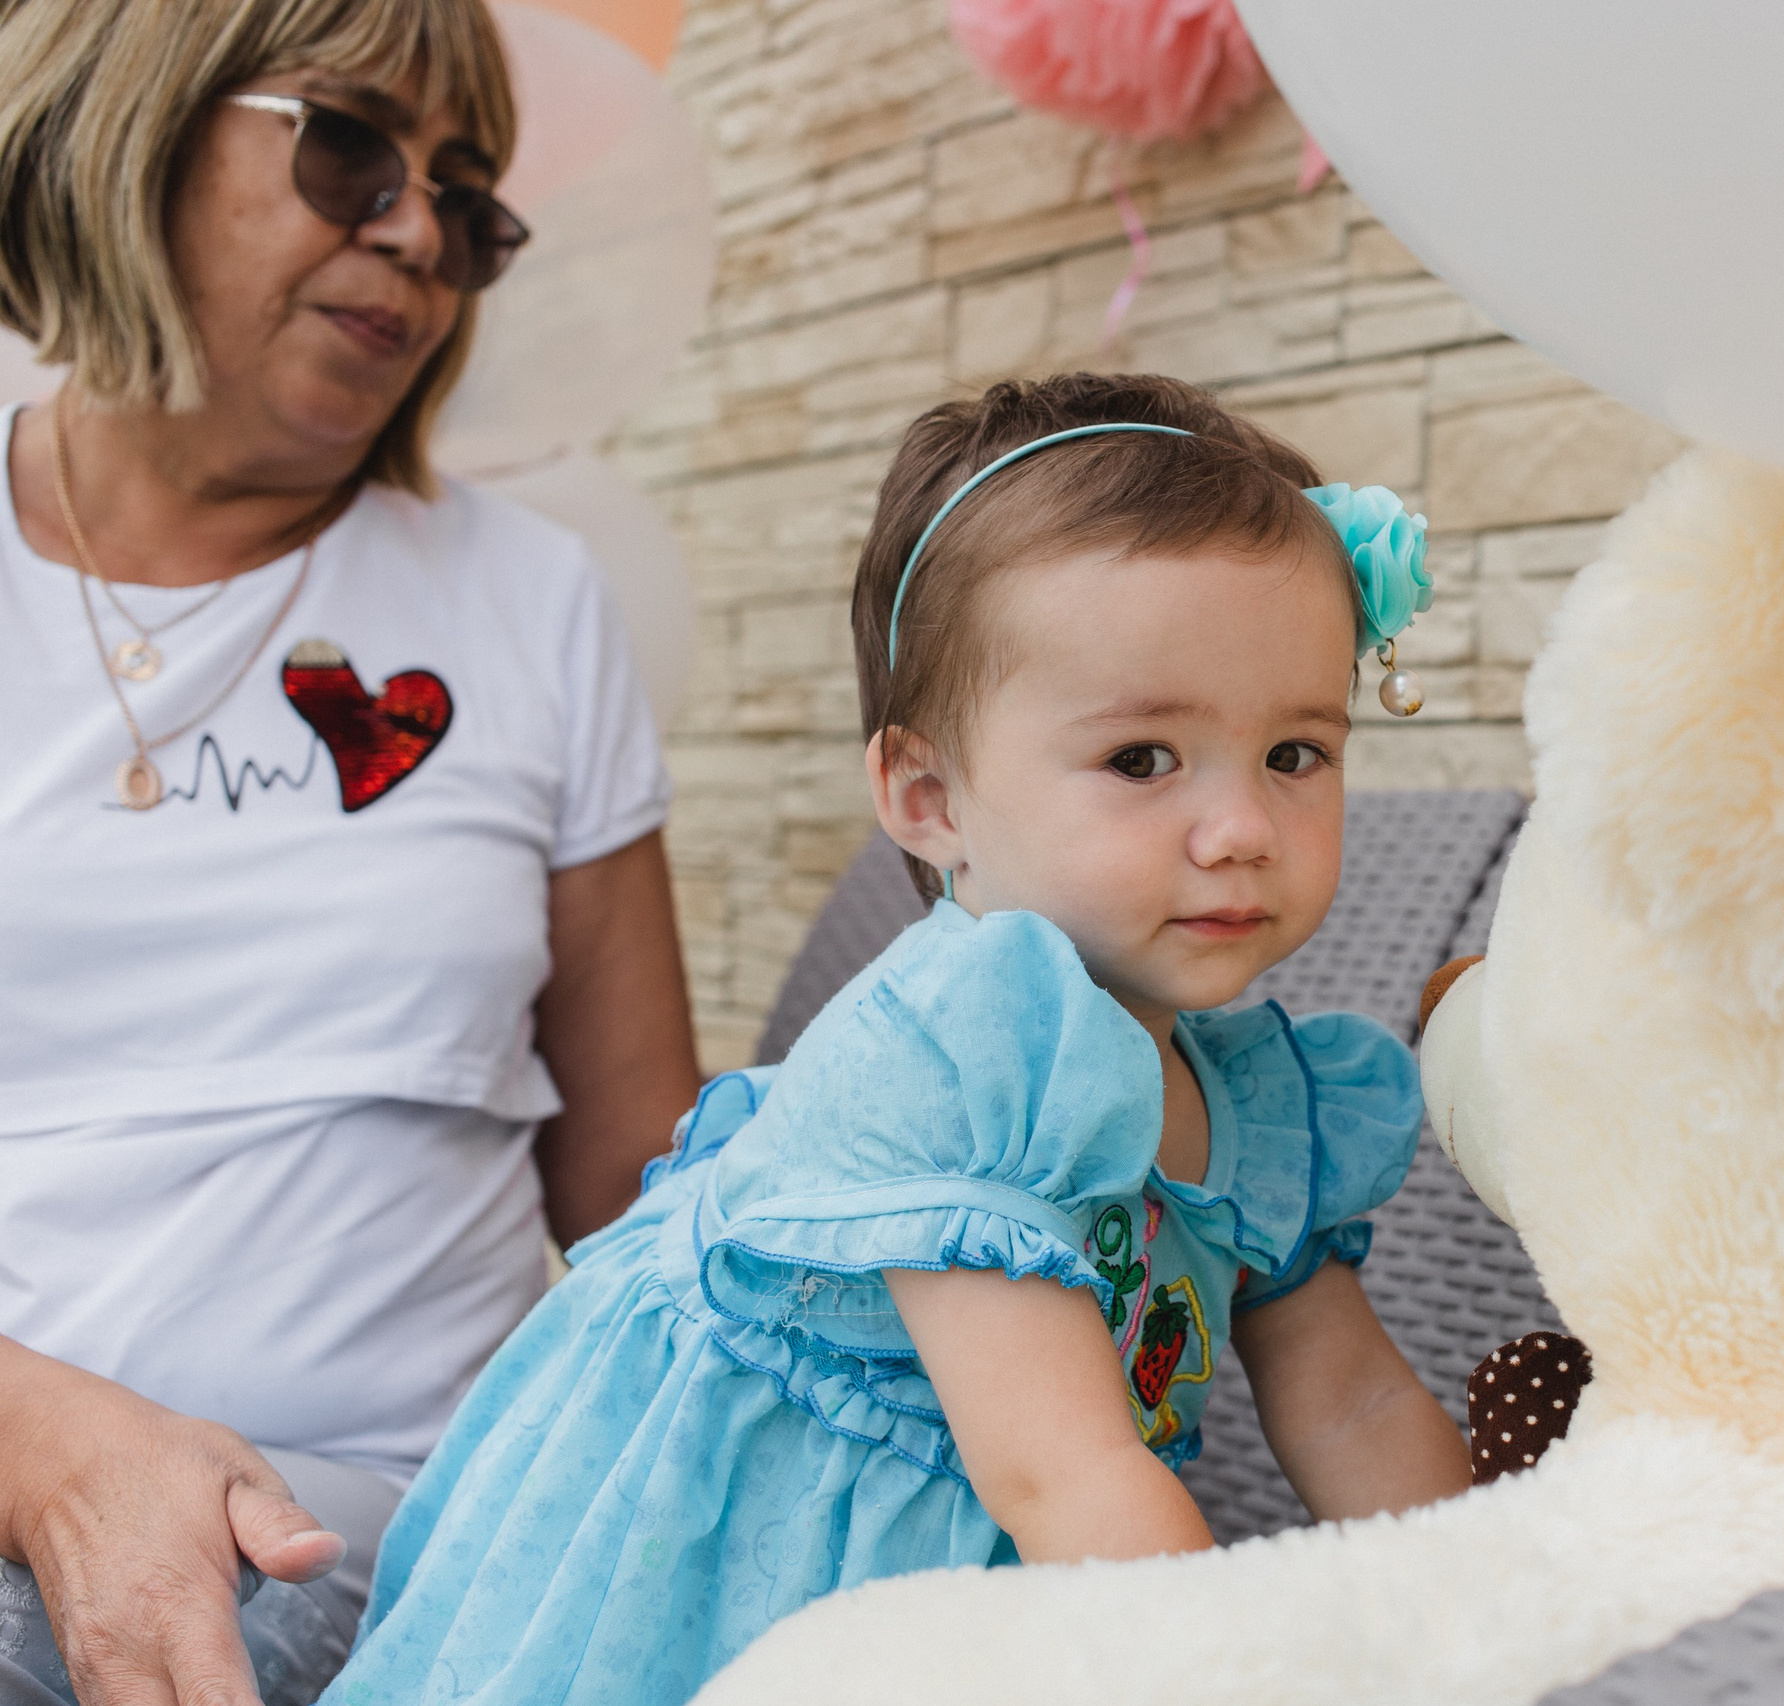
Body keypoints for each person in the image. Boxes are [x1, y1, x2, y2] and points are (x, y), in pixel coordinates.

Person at [323, 373, 1477, 1706]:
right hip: (717, 1568)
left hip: (995, 1579)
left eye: (1293, 752)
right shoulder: (962, 1052)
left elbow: (1355, 1409)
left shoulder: (1265, 1102)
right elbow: (1062, 1470)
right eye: (1146, 759)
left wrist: (1494, 1612)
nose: (1242, 827)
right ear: (928, 795)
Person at [0, 3, 702, 1703]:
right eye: (349, 145)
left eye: (468, 200)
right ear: (133, 119)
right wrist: (50, 1449)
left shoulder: (529, 601)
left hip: (391, 1533)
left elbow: (643, 1198)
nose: (415, 231)